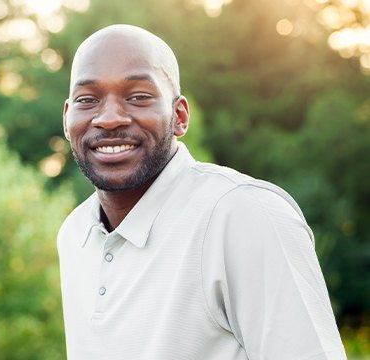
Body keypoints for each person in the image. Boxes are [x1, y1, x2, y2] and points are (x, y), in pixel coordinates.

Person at [56, 24, 346, 360]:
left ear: (179, 116)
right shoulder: (74, 234)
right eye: (87, 100)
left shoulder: (244, 215)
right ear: (67, 119)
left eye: (138, 97)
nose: (108, 118)